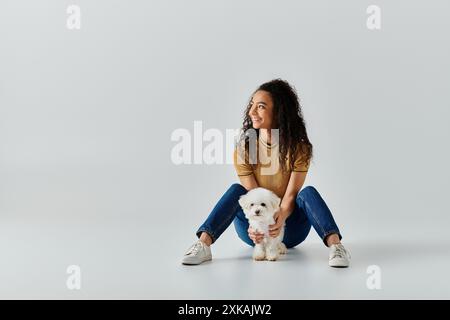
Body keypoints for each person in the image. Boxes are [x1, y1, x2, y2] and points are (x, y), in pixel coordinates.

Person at [181, 79, 350, 267]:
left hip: (290, 228)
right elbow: (254, 196)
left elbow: (291, 195)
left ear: (279, 112)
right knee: (237, 189)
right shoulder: (245, 149)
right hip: (254, 229)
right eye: (251, 105)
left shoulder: (299, 149)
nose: (251, 111)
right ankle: (203, 244)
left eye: (260, 106)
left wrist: (278, 222)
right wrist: (256, 226)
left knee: (307, 193)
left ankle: (336, 246)